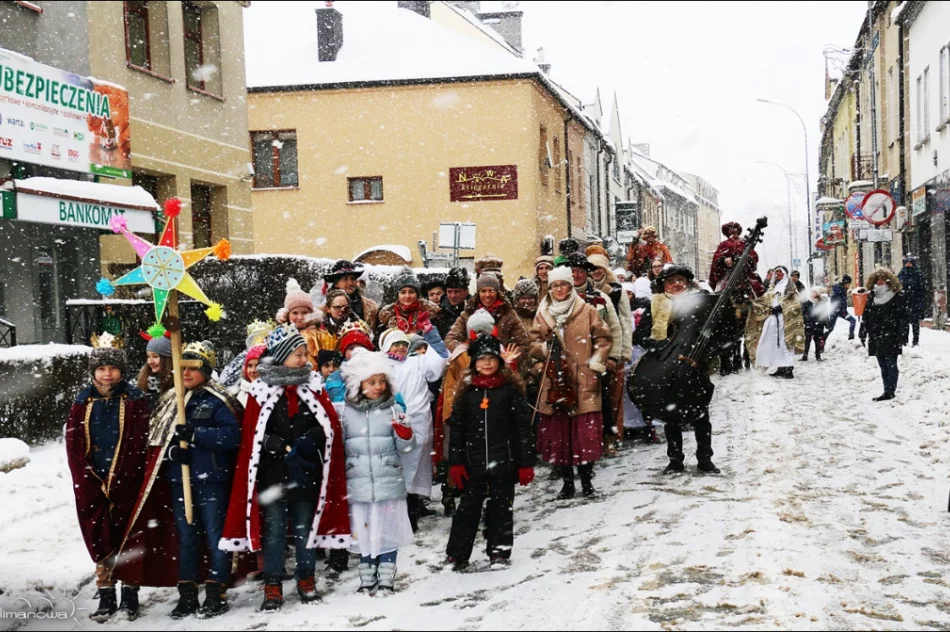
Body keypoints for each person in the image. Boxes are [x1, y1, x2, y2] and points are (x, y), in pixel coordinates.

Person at [221, 323, 352, 611]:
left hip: (305, 471)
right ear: (281, 356)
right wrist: (276, 445)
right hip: (273, 475)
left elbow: (328, 426)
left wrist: (308, 441)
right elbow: (253, 433)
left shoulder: (313, 386)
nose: (303, 359)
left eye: (305, 353)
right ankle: (273, 584)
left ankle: (306, 578)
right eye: (297, 354)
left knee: (305, 529)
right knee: (276, 529)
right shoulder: (261, 391)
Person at [66, 342, 150, 621]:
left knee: (128, 534)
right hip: (92, 480)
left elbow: (139, 442)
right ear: (94, 372)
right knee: (100, 536)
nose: (107, 374)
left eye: (113, 368)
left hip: (126, 479)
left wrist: (124, 475)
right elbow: (74, 444)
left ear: (121, 371)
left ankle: (129, 594)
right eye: (102, 368)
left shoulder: (135, 400)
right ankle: (106, 594)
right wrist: (86, 477)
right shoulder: (82, 403)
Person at [160, 341, 243, 619]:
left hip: (211, 480)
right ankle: (187, 593)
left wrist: (195, 436)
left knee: (215, 535)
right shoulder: (172, 400)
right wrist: (173, 451)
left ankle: (215, 591)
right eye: (182, 367)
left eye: (193, 368)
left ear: (205, 370)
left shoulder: (218, 401)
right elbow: (159, 441)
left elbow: (231, 437)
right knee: (186, 537)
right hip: (180, 480)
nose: (185, 373)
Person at [444, 334, 535, 571]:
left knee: (501, 509)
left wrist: (525, 463)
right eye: (481, 359)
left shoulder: (509, 389)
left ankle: (499, 552)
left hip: (504, 461)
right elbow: (458, 431)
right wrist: (455, 462)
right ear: (474, 362)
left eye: (491, 358)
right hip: (472, 464)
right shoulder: (467, 392)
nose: (486, 363)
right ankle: (457, 553)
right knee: (467, 510)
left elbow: (522, 429)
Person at [630, 265, 728, 473]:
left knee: (701, 414)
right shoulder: (655, 304)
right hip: (666, 366)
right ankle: (675, 460)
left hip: (695, 362)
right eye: (670, 281)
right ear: (663, 285)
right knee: (670, 414)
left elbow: (716, 333)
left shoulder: (700, 303)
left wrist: (704, 356)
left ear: (687, 282)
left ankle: (705, 458)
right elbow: (639, 335)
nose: (676, 284)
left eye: (680, 280)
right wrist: (659, 345)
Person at [531, 266, 612, 499]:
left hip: (583, 378)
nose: (559, 289)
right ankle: (567, 484)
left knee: (583, 434)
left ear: (571, 286)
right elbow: (533, 343)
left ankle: (587, 482)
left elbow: (604, 339)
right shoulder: (543, 312)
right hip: (556, 380)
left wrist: (595, 364)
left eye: (563, 284)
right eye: (555, 285)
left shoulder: (587, 310)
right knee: (560, 435)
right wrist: (545, 352)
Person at [339, 349, 416, 593]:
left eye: (382, 381)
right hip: (359, 484)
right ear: (358, 383)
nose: (378, 386)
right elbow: (340, 448)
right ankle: (366, 577)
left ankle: (386, 577)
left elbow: (406, 448)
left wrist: (405, 433)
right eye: (372, 382)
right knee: (363, 532)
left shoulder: (393, 409)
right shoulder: (345, 413)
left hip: (388, 482)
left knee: (387, 530)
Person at [380, 318, 449, 531]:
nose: (400, 347)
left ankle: (412, 508)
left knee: (416, 465)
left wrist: (431, 336)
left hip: (419, 421)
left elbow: (438, 365)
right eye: (395, 344)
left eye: (403, 343)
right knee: (398, 468)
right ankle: (401, 514)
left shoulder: (416, 361)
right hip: (392, 423)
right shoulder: (380, 364)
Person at [436, 310, 500, 518]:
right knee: (459, 457)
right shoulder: (460, 355)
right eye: (477, 331)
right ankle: (452, 494)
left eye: (485, 331)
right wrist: (453, 413)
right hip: (465, 414)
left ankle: (488, 501)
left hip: (489, 414)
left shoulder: (496, 353)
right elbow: (451, 387)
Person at [586, 250, 632, 457]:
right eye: (592, 269)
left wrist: (623, 351)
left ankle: (612, 436)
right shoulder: (581, 293)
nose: (596, 273)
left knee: (612, 399)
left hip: (612, 350)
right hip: (591, 351)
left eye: (600, 269)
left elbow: (623, 323)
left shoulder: (615, 292)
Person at [444, 273, 532, 359]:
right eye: (483, 291)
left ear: (497, 292)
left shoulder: (508, 314)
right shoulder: (468, 314)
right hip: (473, 367)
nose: (487, 295)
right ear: (478, 293)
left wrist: (509, 357)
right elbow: (450, 339)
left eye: (491, 291)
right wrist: (466, 352)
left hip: (502, 367)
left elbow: (523, 344)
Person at [745, 267, 805, 379]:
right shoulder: (772, 288)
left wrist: (782, 308)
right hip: (773, 320)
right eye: (776, 273)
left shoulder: (790, 288)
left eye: (780, 273)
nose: (778, 275)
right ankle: (780, 367)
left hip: (786, 320)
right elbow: (764, 301)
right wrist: (754, 304)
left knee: (786, 344)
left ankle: (788, 369)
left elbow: (795, 304)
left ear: (784, 274)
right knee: (774, 344)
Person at [860, 268, 907, 401]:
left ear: (888, 281)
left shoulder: (896, 296)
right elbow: (866, 315)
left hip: (891, 334)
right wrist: (863, 330)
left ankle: (890, 391)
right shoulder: (872, 296)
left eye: (882, 279)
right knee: (882, 363)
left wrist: (903, 334)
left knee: (891, 362)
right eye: (877, 279)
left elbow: (902, 317)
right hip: (876, 334)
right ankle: (886, 389)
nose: (879, 282)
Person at [376, 269, 442, 339]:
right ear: (397, 295)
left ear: (417, 294)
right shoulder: (386, 315)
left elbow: (437, 340)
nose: (407, 296)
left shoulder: (430, 312)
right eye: (403, 292)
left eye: (411, 292)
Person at [319, 259, 380, 332]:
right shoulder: (322, 312)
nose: (350, 283)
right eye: (345, 279)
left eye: (353, 278)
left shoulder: (371, 307)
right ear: (336, 283)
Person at [276, 278, 323, 369]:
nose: (300, 317)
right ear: (287, 314)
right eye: (295, 313)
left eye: (304, 313)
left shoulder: (319, 333)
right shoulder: (280, 334)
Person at [136, 326, 174, 411]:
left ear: (168, 359)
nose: (150, 361)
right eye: (148, 356)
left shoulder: (179, 384)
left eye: (155, 356)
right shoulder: (140, 383)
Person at [433, 267, 470, 339]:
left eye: (457, 291)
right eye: (449, 291)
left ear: (466, 291)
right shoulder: (438, 313)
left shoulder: (473, 311)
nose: (453, 296)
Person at [898, 255, 925, 347]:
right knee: (904, 323)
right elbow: (897, 286)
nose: (908, 265)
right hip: (904, 302)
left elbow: (921, 290)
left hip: (915, 302)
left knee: (915, 323)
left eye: (910, 263)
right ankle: (904, 340)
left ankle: (915, 341)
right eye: (907, 263)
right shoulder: (901, 274)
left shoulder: (918, 274)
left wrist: (920, 303)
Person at [801, 289, 829, 362]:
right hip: (809, 324)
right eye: (811, 292)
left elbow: (825, 314)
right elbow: (803, 313)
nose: (812, 294)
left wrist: (826, 323)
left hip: (819, 324)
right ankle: (805, 355)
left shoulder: (821, 303)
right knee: (807, 340)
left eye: (814, 292)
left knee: (818, 341)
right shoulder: (806, 303)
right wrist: (805, 321)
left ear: (818, 294)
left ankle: (818, 356)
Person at [829, 275, 856, 340]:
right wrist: (841, 310)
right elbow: (835, 301)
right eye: (849, 284)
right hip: (836, 312)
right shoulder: (838, 290)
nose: (849, 285)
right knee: (830, 328)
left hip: (842, 312)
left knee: (853, 321)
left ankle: (851, 337)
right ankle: (822, 340)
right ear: (845, 283)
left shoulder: (842, 289)